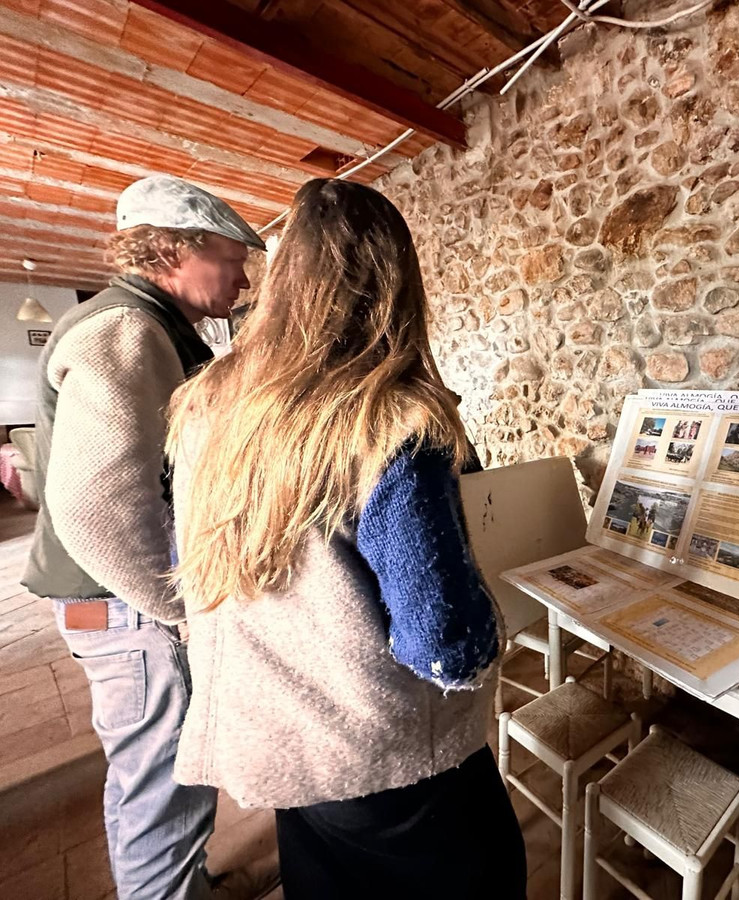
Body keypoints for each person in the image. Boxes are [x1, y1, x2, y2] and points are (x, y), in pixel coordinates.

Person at [166, 178, 526, 900]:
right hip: (382, 753)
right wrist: (492, 624)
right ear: (397, 283)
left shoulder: (206, 399)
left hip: (277, 738)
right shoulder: (391, 419)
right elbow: (443, 645)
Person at [21, 175, 266, 899]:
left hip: (116, 605)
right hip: (127, 608)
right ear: (172, 249)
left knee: (152, 775)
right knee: (164, 783)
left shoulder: (149, 324)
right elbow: (98, 508)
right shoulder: (126, 329)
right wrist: (178, 608)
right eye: (231, 258)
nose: (244, 278)